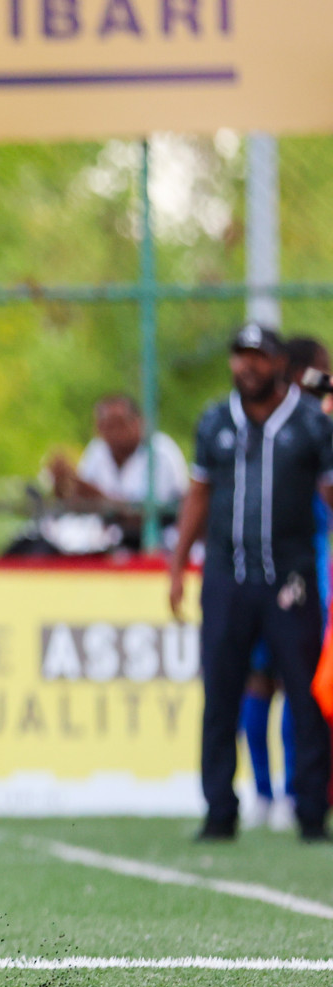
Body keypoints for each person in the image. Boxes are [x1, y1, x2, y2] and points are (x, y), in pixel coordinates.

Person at [169, 324, 333, 843]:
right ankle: (220, 811)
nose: (248, 366)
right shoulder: (216, 419)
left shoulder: (310, 422)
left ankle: (310, 811)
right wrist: (177, 564)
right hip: (226, 576)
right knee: (221, 695)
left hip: (291, 579)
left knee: (305, 697)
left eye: (258, 357)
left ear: (279, 364)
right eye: (240, 356)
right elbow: (198, 494)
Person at [238, 336, 332, 829]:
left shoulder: (311, 424)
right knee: (270, 680)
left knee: (300, 681)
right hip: (295, 564)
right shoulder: (291, 423)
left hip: (306, 562)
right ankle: (271, 791)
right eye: (318, 370)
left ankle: (294, 791)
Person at [47, 394, 189, 550]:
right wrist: (64, 483)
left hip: (155, 545)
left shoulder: (161, 452)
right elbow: (77, 504)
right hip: (104, 543)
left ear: (138, 423)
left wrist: (97, 496)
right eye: (104, 426)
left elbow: (153, 517)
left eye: (118, 425)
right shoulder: (97, 450)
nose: (112, 433)